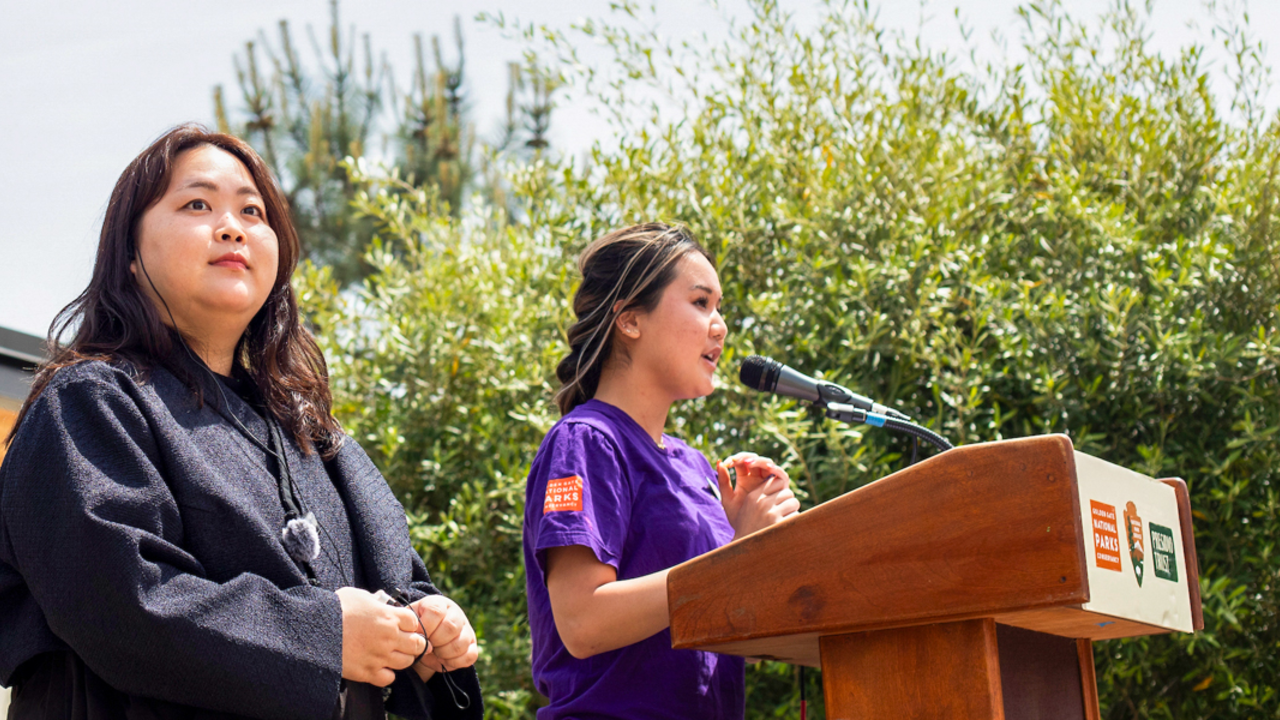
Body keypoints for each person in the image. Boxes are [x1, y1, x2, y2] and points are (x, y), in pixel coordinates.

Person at [0, 125, 482, 719]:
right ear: (128, 255)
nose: (232, 226)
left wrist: (427, 633)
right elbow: (121, 601)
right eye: (197, 204)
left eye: (252, 211)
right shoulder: (89, 404)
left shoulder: (311, 435)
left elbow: (395, 588)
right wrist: (324, 635)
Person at [522, 223, 801, 719]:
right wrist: (733, 561)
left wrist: (756, 546)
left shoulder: (693, 466)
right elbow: (583, 622)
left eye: (720, 308)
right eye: (700, 303)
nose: (720, 326)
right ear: (630, 321)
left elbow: (740, 643)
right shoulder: (586, 441)